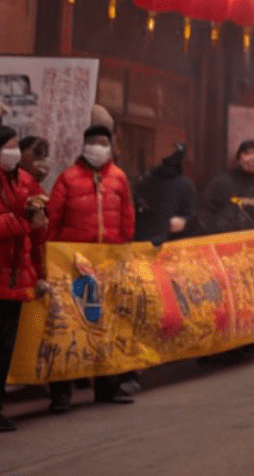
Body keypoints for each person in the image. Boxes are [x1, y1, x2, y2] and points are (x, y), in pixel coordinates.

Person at [46, 124, 136, 410]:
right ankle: (61, 393)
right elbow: (52, 220)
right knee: (68, 328)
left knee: (106, 325)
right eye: (93, 142)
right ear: (84, 146)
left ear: (110, 147)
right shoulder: (67, 178)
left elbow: (127, 215)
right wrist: (51, 258)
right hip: (72, 264)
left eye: (103, 143)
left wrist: (123, 249)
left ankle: (108, 387)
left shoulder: (119, 177)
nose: (98, 148)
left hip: (106, 264)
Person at [0, 125, 48, 433]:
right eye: (8, 146)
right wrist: (24, 222)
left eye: (16, 146)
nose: (14, 152)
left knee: (6, 347)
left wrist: (41, 218)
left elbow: (38, 230)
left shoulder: (26, 181)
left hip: (16, 278)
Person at [133, 145, 198, 244]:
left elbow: (193, 218)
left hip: (172, 244)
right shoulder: (144, 184)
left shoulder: (186, 186)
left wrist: (185, 222)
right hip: (149, 244)